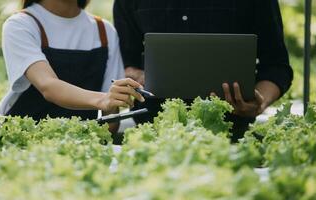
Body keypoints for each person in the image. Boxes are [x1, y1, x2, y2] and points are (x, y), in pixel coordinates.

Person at [113, 0, 294, 141]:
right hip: (153, 131)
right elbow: (125, 63)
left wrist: (258, 103)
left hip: (230, 133)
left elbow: (276, 67)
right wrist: (138, 75)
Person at [0, 0, 145, 133]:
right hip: (26, 143)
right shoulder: (21, 24)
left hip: (80, 147)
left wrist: (112, 104)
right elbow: (48, 86)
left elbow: (111, 126)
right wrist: (103, 100)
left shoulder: (105, 31)